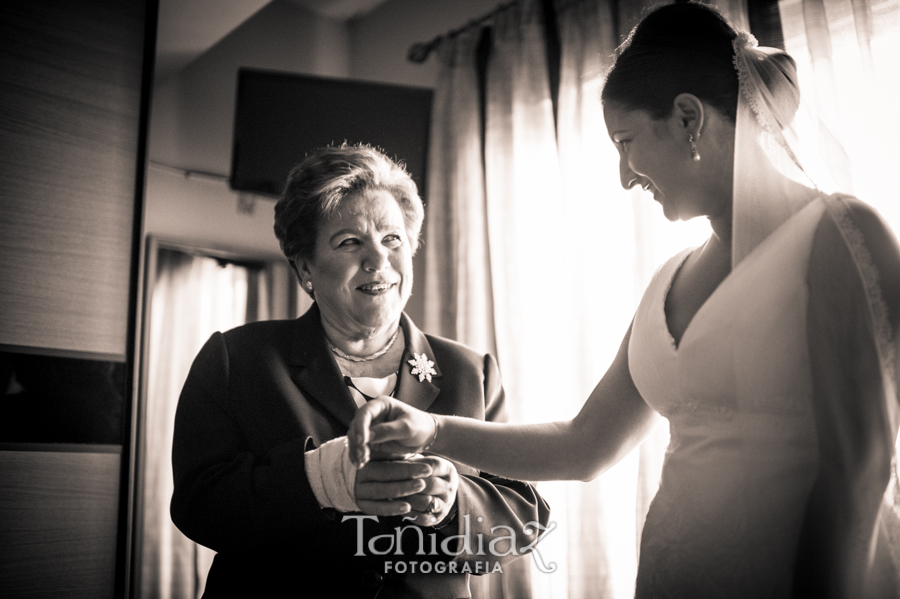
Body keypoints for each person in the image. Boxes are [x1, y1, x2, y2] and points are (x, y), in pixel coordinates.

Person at [349, 3, 900, 597]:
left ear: (688, 118)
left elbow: (861, 471)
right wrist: (430, 428)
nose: (623, 174)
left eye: (626, 140)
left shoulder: (841, 234)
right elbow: (582, 446)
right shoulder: (669, 279)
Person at [170, 144, 550, 598]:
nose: (378, 260)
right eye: (350, 242)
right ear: (305, 266)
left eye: (392, 239)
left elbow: (525, 517)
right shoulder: (237, 359)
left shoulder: (472, 372)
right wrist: (325, 480)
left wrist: (453, 501)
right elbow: (200, 507)